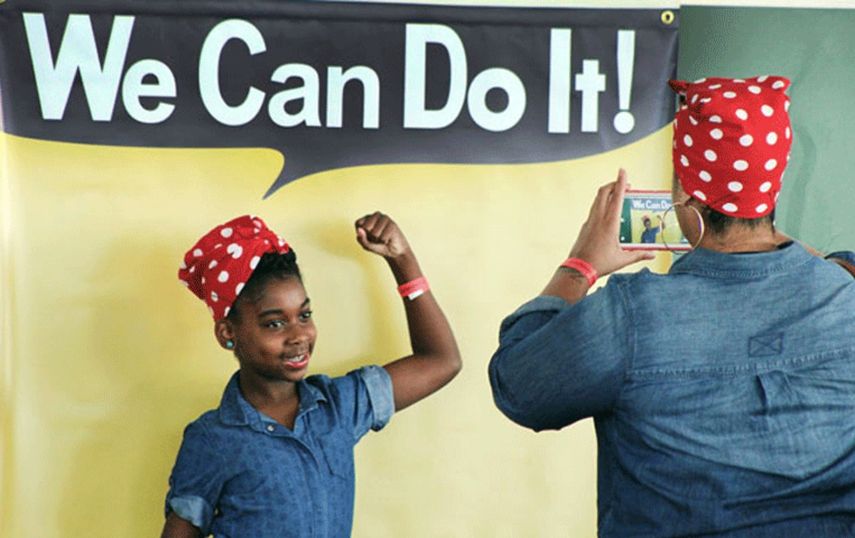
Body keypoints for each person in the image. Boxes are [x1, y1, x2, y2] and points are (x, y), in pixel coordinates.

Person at [488, 75, 855, 536]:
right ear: (773, 186)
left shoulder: (630, 316)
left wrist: (580, 264)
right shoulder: (845, 293)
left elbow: (519, 387)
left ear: (686, 193)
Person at [162, 212, 461, 537]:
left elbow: (440, 360)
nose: (298, 335)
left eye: (304, 315)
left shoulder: (340, 407)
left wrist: (402, 260)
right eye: (274, 323)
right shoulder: (212, 439)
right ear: (227, 333)